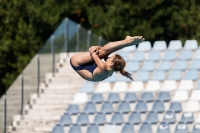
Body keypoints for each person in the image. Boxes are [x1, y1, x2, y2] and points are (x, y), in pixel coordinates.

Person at [70, 36, 145, 82]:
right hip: (89, 67)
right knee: (103, 52)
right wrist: (100, 50)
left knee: (102, 52)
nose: (108, 57)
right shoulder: (111, 70)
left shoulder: (102, 68)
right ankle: (126, 42)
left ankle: (127, 42)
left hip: (76, 62)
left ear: (112, 63)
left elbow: (92, 51)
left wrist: (95, 47)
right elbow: (106, 55)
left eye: (111, 57)